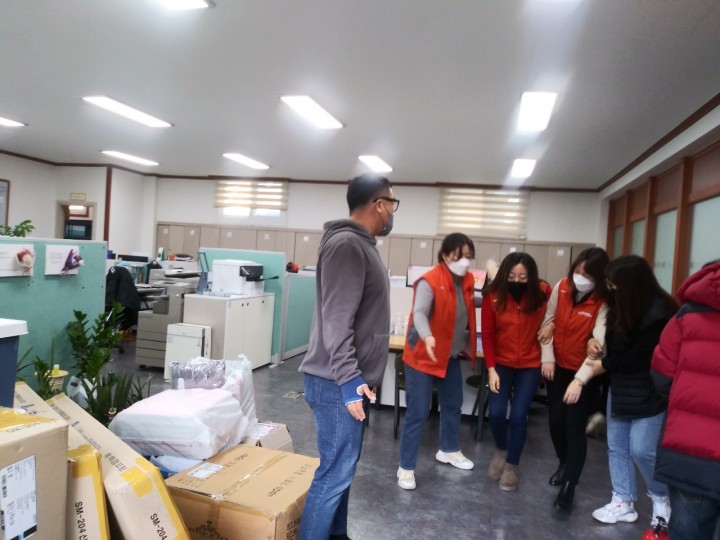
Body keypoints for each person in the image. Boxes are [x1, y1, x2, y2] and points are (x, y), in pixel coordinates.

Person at [298, 173, 398, 540]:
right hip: (335, 382)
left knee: (342, 470)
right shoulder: (346, 245)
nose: (393, 212)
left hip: (345, 381)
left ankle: (337, 535)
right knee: (334, 473)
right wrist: (350, 380)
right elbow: (337, 322)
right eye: (392, 203)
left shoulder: (361, 244)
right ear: (379, 205)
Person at [584, 255, 677, 527]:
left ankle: (661, 500)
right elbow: (612, 341)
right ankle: (623, 500)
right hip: (620, 387)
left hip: (650, 391)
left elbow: (642, 357)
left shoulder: (661, 313)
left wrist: (604, 365)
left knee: (642, 449)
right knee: (617, 447)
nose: (611, 289)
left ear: (631, 284)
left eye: (615, 284)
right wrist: (594, 343)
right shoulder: (618, 305)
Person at [397, 233, 479, 490]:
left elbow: (466, 303)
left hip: (449, 355)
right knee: (418, 412)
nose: (465, 261)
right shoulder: (429, 280)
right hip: (422, 357)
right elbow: (420, 313)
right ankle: (405, 467)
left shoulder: (467, 281)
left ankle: (449, 449)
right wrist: (428, 336)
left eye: (469, 256)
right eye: (459, 255)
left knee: (453, 405)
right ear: (445, 255)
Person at [651, 259, 720, 540]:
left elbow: (662, 371)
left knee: (688, 530)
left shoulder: (686, 315)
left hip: (690, 448)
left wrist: (688, 402)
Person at [538, 247, 610, 511]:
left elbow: (599, 345)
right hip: (557, 367)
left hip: (585, 372)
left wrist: (580, 380)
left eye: (587, 275)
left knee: (574, 425)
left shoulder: (604, 301)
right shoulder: (562, 287)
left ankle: (569, 484)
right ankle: (564, 462)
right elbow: (547, 323)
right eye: (577, 271)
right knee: (556, 420)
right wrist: (547, 357)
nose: (580, 277)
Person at [481, 251, 551, 491]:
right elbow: (487, 335)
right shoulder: (492, 295)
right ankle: (502, 449)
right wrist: (491, 369)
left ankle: (512, 465)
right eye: (511, 276)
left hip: (529, 365)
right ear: (504, 274)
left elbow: (556, 314)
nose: (517, 281)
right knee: (497, 413)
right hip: (500, 364)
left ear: (531, 276)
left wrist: (551, 325)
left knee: (519, 416)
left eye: (523, 277)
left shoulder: (543, 292)